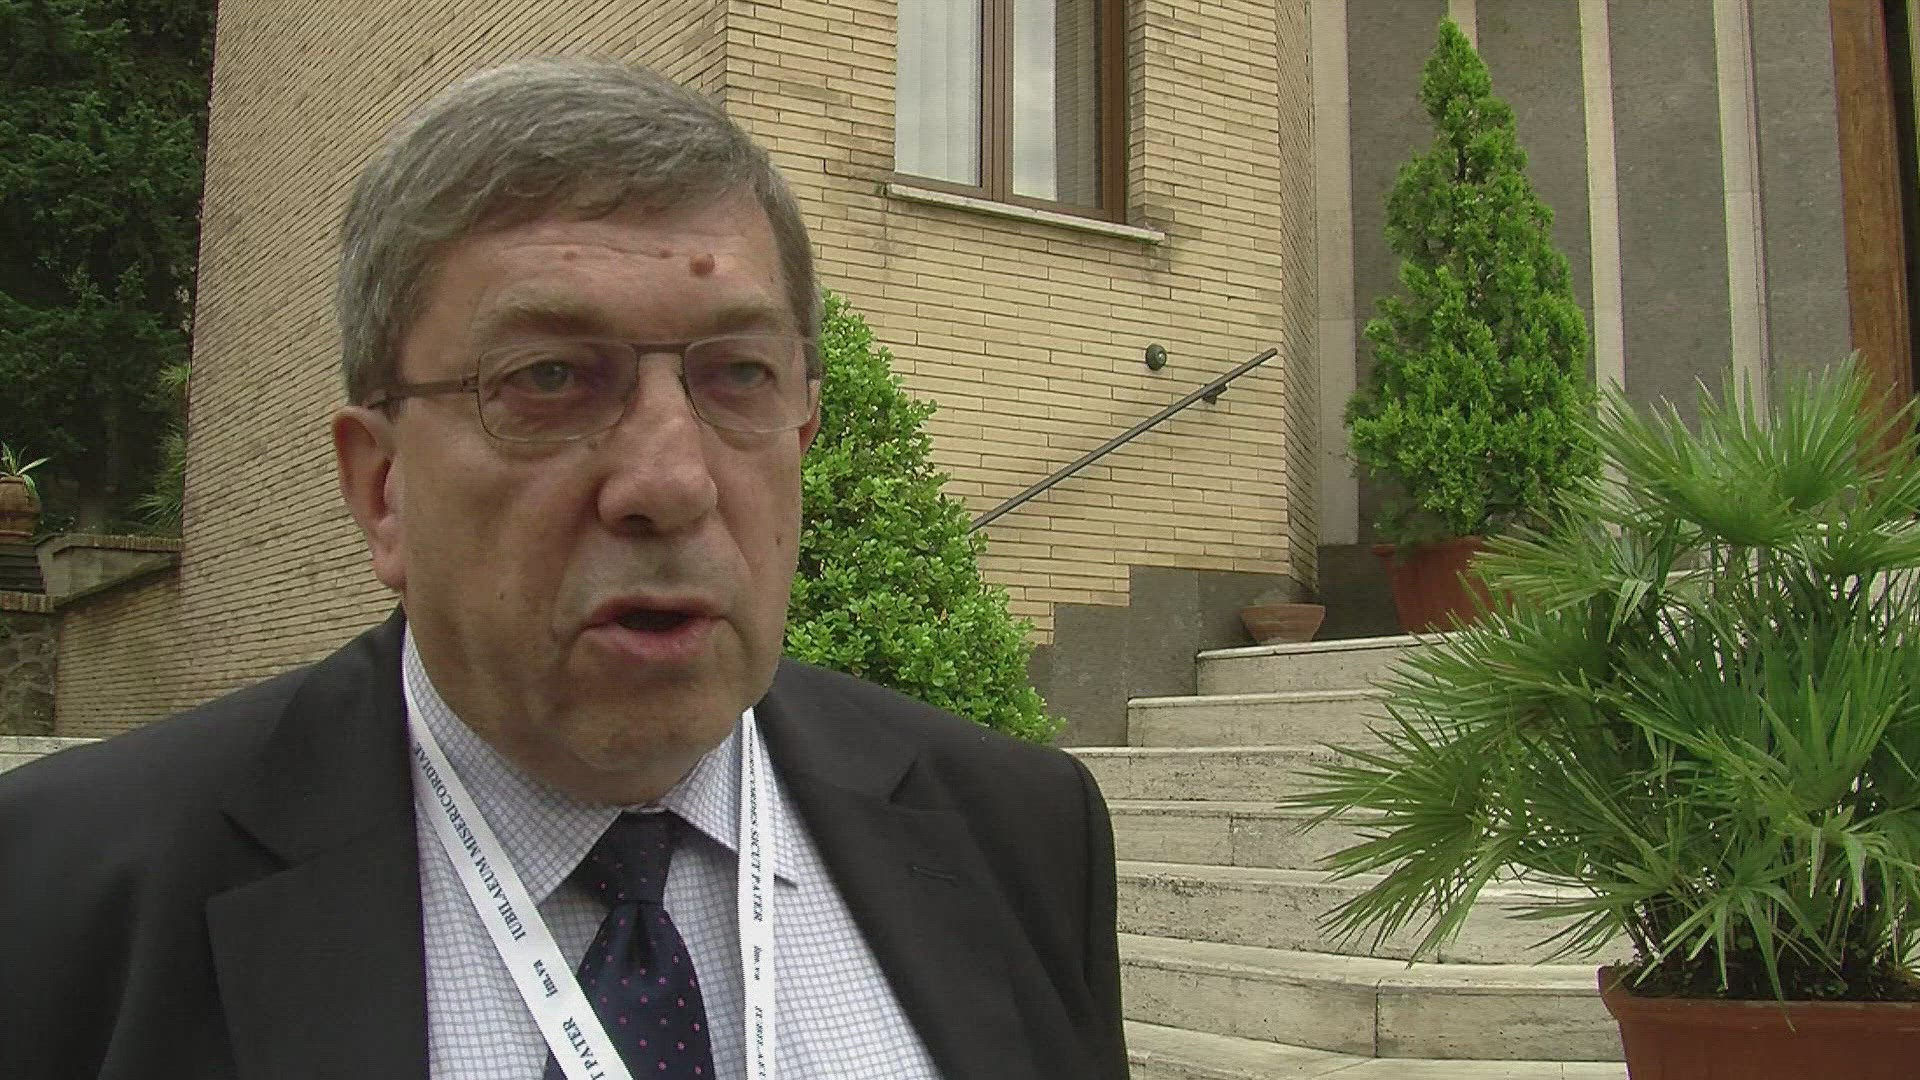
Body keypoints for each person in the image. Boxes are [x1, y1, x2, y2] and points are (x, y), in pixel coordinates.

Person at [0, 59, 1127, 1080]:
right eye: (548, 377)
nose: (671, 480)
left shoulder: (1021, 833)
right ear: (382, 487)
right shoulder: (59, 891)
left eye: (738, 374)